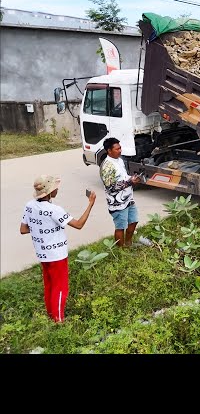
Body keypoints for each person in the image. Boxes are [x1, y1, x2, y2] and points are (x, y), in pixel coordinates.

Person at [20, 175, 96, 323]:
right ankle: (58, 320)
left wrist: (41, 227)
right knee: (60, 288)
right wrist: (90, 204)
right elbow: (79, 224)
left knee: (49, 285)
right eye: (55, 188)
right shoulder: (55, 210)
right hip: (57, 255)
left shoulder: (29, 205)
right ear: (48, 193)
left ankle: (51, 314)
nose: (57, 189)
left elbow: (23, 229)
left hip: (42, 253)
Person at [100, 137, 141, 247]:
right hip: (117, 203)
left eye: (120, 148)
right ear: (109, 150)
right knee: (120, 227)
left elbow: (123, 177)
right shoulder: (107, 166)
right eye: (117, 149)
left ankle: (128, 243)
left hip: (128, 199)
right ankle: (121, 251)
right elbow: (110, 187)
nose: (120, 150)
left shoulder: (120, 160)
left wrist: (131, 178)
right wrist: (129, 182)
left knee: (134, 221)